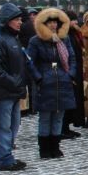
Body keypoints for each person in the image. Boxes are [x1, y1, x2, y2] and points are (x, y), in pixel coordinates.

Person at [0, 3, 28, 171]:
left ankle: (2, 155)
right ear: (7, 21)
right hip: (2, 91)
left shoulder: (11, 37)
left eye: (20, 19)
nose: (20, 22)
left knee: (12, 125)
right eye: (17, 19)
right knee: (2, 126)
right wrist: (12, 81)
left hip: (13, 90)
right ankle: (4, 159)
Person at [27, 9, 77, 159]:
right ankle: (44, 148)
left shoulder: (64, 39)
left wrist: (70, 74)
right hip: (46, 82)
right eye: (50, 22)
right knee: (45, 117)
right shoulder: (35, 41)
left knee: (58, 117)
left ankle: (55, 146)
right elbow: (30, 62)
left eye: (55, 22)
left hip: (62, 81)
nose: (53, 25)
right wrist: (38, 78)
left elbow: (72, 58)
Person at [61, 10, 85, 138]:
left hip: (76, 70)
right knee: (67, 100)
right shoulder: (64, 35)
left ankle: (67, 126)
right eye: (73, 19)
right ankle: (63, 127)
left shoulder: (75, 33)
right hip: (69, 71)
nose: (76, 22)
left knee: (73, 99)